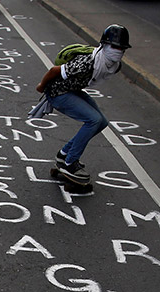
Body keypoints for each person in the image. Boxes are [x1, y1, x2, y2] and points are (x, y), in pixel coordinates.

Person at [30, 24, 131, 188]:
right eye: (114, 47)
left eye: (122, 49)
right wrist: (41, 86)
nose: (118, 51)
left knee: (102, 122)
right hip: (58, 92)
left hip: (71, 90)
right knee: (93, 120)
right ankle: (70, 162)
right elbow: (54, 71)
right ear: (104, 45)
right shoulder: (88, 62)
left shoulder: (114, 66)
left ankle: (63, 154)